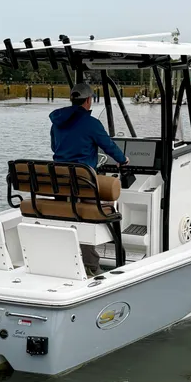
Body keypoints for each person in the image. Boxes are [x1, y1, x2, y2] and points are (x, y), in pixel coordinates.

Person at [49, 83, 129, 276]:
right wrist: (123, 160)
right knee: (105, 204)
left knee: (74, 210)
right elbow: (108, 145)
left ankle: (70, 259)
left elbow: (54, 148)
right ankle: (92, 266)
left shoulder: (57, 123)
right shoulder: (91, 123)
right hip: (83, 182)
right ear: (88, 100)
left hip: (59, 183)